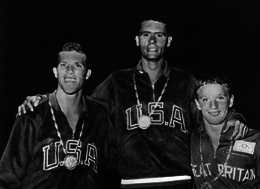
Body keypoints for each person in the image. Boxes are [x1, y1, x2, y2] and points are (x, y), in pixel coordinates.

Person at [16, 15, 247, 188]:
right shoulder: (118, 80)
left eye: (159, 34)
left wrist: (235, 118)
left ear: (169, 41)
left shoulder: (185, 80)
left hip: (180, 180)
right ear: (137, 40)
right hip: (131, 181)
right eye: (147, 34)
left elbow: (209, 109)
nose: (153, 40)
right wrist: (45, 98)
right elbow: (81, 104)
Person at [0, 43, 115, 189]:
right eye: (63, 65)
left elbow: (120, 158)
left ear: (87, 74)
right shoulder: (33, 114)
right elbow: (7, 177)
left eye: (77, 65)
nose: (70, 71)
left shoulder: (99, 117)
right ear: (55, 71)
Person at [191, 74, 260, 189]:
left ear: (231, 100)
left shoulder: (254, 139)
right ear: (198, 104)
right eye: (205, 99)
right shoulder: (189, 140)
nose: (213, 106)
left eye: (220, 98)